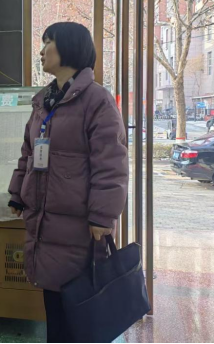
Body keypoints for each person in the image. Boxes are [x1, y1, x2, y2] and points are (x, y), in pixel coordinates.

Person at [8, 22, 129, 344]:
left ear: (69, 48)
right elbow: (28, 152)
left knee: (78, 305)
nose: (41, 50)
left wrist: (103, 215)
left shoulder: (97, 100)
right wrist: (17, 193)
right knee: (54, 301)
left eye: (48, 42)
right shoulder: (44, 101)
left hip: (79, 224)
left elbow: (111, 163)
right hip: (44, 221)